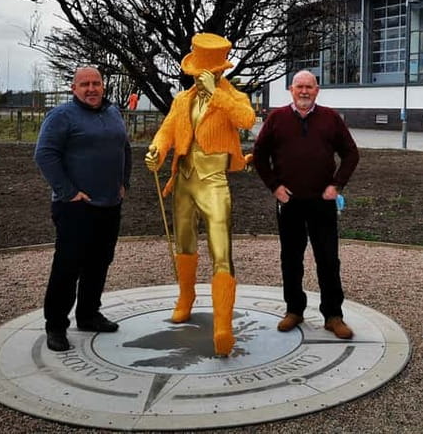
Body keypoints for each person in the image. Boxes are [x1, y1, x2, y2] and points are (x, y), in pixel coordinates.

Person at [144, 33, 255, 356]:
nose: (202, 77)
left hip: (214, 181)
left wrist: (215, 95)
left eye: (209, 72)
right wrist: (157, 150)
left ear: (220, 71)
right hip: (184, 181)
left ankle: (223, 325)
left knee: (221, 251)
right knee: (185, 242)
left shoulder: (233, 96)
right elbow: (167, 130)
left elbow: (246, 120)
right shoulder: (182, 100)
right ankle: (185, 297)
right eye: (200, 73)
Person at [253, 70, 359, 339]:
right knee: (291, 259)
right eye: (299, 86)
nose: (304, 91)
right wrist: (274, 187)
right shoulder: (277, 118)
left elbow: (350, 154)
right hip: (290, 202)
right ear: (291, 89)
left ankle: (333, 315)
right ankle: (294, 310)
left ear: (317, 90)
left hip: (322, 202)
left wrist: (336, 185)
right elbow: (260, 155)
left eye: (309, 87)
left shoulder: (330, 118)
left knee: (328, 260)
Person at [34, 66, 131, 352]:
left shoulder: (113, 113)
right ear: (74, 88)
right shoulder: (62, 116)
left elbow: (124, 149)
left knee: (99, 263)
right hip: (75, 207)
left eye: (96, 83)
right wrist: (68, 191)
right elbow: (44, 154)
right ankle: (56, 326)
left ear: (103, 86)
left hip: (110, 204)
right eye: (85, 84)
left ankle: (88, 315)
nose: (92, 89)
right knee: (68, 267)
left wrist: (123, 182)